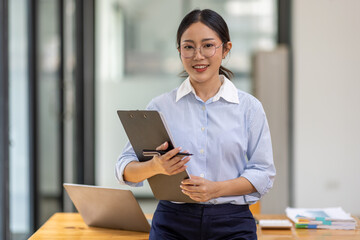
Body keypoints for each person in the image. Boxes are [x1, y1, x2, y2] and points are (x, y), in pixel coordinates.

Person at [115, 9, 276, 240]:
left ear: (226, 49)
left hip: (232, 223)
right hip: (172, 222)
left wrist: (217, 189)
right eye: (188, 47)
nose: (198, 56)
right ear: (180, 51)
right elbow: (124, 169)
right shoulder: (161, 106)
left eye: (208, 45)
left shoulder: (249, 108)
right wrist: (157, 167)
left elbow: (263, 173)